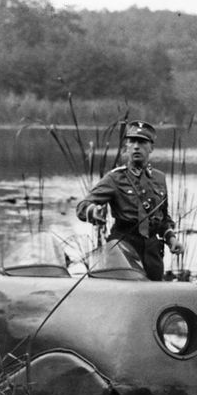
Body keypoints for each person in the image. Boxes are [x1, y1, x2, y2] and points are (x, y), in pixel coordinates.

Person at [75, 120, 183, 280]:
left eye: (142, 142)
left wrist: (171, 239)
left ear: (151, 147)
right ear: (126, 147)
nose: (136, 146)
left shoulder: (159, 178)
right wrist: (94, 212)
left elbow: (163, 218)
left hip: (153, 254)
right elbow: (82, 207)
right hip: (123, 251)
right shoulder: (115, 177)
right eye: (132, 142)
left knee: (153, 297)